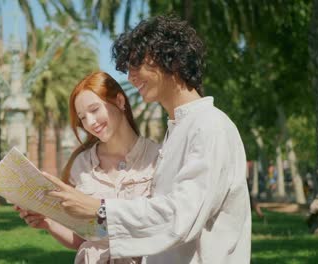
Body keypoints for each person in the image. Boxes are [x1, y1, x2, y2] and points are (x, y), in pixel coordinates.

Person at [41, 15, 251, 263]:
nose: (130, 78)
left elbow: (180, 216)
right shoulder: (179, 130)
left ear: (168, 58)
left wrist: (98, 208)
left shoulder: (209, 126)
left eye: (136, 65)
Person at [16, 71, 160, 264]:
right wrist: (48, 222)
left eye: (94, 110)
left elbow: (165, 226)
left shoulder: (157, 158)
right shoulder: (81, 164)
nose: (90, 123)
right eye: (82, 118)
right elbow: (82, 240)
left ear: (119, 101)